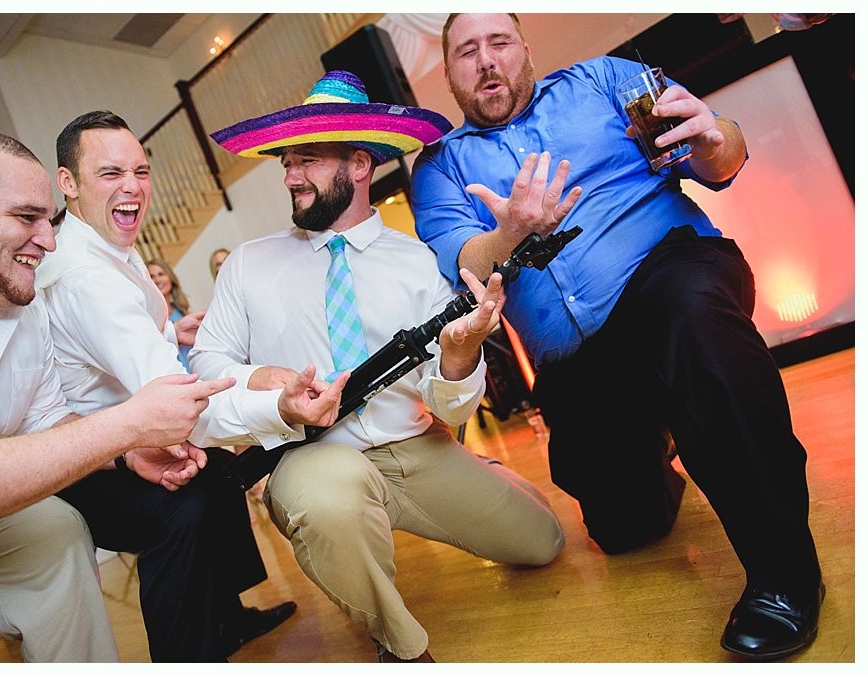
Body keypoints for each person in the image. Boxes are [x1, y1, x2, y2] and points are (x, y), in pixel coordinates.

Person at [411, 13, 823, 660]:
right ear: (450, 73)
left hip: (670, 273)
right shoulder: (440, 166)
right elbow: (468, 262)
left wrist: (715, 136)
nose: (486, 61)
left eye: (498, 43)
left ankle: (783, 577)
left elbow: (718, 153)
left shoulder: (604, 81)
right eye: (467, 51)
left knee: (693, 327)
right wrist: (513, 231)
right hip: (581, 363)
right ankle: (660, 446)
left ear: (525, 49)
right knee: (627, 529)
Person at [202, 70, 565, 662]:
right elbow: (210, 371)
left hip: (417, 449)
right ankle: (399, 648)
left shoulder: (416, 263)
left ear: (361, 165)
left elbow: (453, 405)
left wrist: (458, 353)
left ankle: (489, 472)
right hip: (311, 457)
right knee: (329, 505)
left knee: (544, 542)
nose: (291, 175)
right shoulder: (247, 265)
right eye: (287, 162)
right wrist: (274, 396)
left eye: (310, 159)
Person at [0, 129, 229, 662]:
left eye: (49, 218)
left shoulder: (17, 294)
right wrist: (128, 426)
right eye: (27, 218)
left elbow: (46, 416)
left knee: (55, 531)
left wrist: (125, 454)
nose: (49, 239)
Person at [35, 111, 296, 662]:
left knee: (223, 472)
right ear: (68, 184)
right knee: (182, 510)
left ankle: (227, 615)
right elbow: (175, 398)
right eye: (110, 173)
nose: (132, 186)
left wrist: (167, 329)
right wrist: (277, 402)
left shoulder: (103, 245)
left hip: (134, 435)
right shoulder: (85, 278)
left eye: (141, 170)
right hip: (88, 461)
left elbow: (109, 343)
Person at [147, 258, 199, 369]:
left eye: (161, 274)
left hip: (196, 369)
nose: (157, 280)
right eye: (151, 277)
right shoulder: (149, 319)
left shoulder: (182, 311)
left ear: (170, 278)